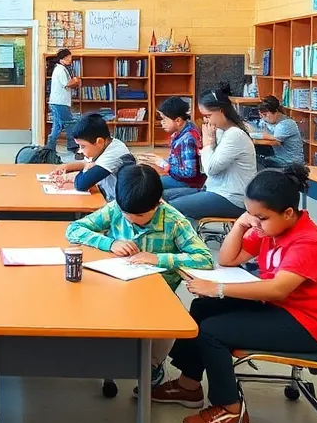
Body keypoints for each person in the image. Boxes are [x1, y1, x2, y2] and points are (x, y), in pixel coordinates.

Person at [165, 164, 317, 423]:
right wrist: (242, 224)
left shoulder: (307, 242)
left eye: (261, 217)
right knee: (202, 306)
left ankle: (231, 411)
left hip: (304, 325)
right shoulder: (272, 227)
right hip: (278, 308)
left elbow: (277, 290)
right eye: (252, 215)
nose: (256, 223)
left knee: (212, 332)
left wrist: (219, 288)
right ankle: (189, 385)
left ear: (289, 213)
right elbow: (227, 259)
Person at [66, 164, 213, 391]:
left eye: (140, 216)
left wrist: (159, 259)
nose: (132, 220)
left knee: (170, 322)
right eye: (127, 215)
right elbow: (74, 229)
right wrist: (110, 242)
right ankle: (107, 361)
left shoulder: (174, 221)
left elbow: (204, 258)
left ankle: (153, 364)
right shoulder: (116, 210)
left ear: (157, 203)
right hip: (115, 287)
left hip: (156, 297)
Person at [165, 84, 257, 221]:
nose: (206, 121)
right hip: (214, 189)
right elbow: (207, 165)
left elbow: (211, 169)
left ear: (221, 111)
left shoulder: (235, 135)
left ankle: (190, 240)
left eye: (208, 116)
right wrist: (211, 144)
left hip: (231, 198)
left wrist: (208, 145)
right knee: (164, 197)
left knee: (172, 208)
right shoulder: (221, 131)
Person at [48, 113, 135, 202]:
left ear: (99, 142)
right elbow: (86, 163)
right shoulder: (105, 144)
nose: (79, 151)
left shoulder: (114, 154)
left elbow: (82, 184)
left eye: (83, 146)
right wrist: (65, 167)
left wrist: (69, 176)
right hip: (105, 193)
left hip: (118, 203)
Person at [140, 96, 204, 193]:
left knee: (150, 184)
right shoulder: (186, 130)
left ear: (178, 120)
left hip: (188, 184)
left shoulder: (187, 139)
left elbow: (190, 172)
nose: (162, 123)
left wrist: (163, 163)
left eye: (165, 119)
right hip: (182, 179)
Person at [45, 49, 81, 157]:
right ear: (63, 58)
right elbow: (67, 84)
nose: (71, 60)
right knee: (71, 123)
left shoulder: (62, 69)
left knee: (57, 127)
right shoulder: (60, 70)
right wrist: (75, 80)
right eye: (69, 57)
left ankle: (49, 148)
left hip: (59, 102)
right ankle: (73, 146)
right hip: (59, 103)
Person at [253, 96, 305, 167]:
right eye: (260, 115)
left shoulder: (286, 124)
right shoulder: (268, 121)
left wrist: (251, 141)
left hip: (290, 163)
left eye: (265, 115)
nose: (262, 117)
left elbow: (273, 141)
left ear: (276, 112)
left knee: (255, 161)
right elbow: (255, 127)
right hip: (279, 158)